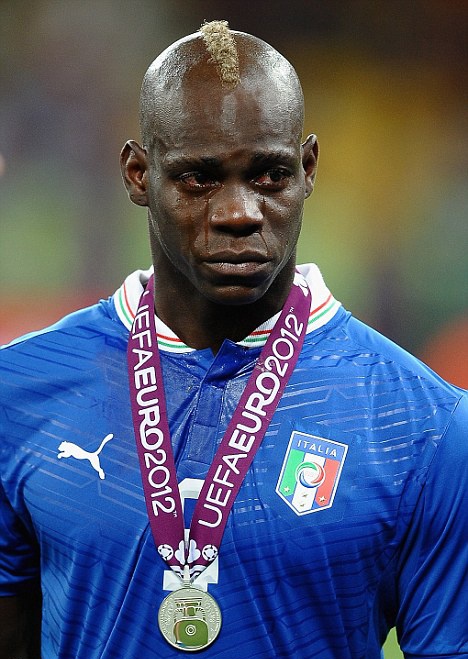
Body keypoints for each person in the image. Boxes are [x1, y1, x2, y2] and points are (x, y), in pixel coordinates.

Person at [0, 20, 466, 659]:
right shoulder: (19, 393)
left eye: (269, 175)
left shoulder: (424, 424)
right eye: (199, 178)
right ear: (138, 175)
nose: (238, 212)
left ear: (307, 169)